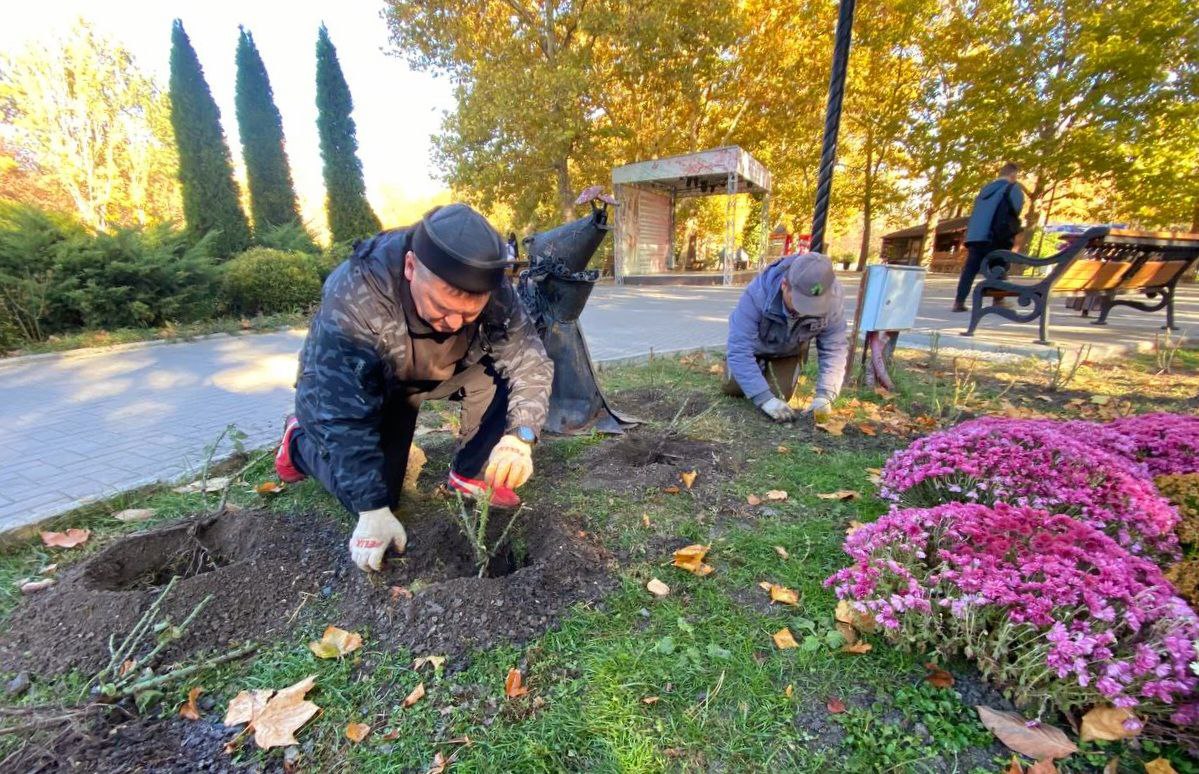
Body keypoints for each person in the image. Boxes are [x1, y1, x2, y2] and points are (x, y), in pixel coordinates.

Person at [274, 204, 553, 573]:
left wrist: (521, 436)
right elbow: (341, 412)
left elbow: (528, 358)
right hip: (369, 386)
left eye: (469, 314)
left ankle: (471, 471)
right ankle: (297, 444)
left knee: (505, 367)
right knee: (379, 495)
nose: (452, 323)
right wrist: (371, 508)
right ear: (410, 268)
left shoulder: (492, 285)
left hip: (440, 370)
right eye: (441, 307)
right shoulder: (357, 297)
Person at [723, 252, 848, 423]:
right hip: (755, 347)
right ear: (784, 285)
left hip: (789, 351)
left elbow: (835, 350)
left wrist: (825, 396)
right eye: (799, 300)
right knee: (736, 389)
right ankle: (749, 368)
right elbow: (739, 348)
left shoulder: (832, 301)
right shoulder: (757, 294)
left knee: (780, 395)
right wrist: (764, 399)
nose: (804, 310)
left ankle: (772, 373)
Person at [952, 162, 1025, 312]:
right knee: (999, 265)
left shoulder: (985, 190)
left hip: (975, 236)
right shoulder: (1012, 188)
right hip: (996, 235)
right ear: (1013, 175)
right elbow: (1016, 210)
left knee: (970, 269)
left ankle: (959, 301)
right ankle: (998, 300)